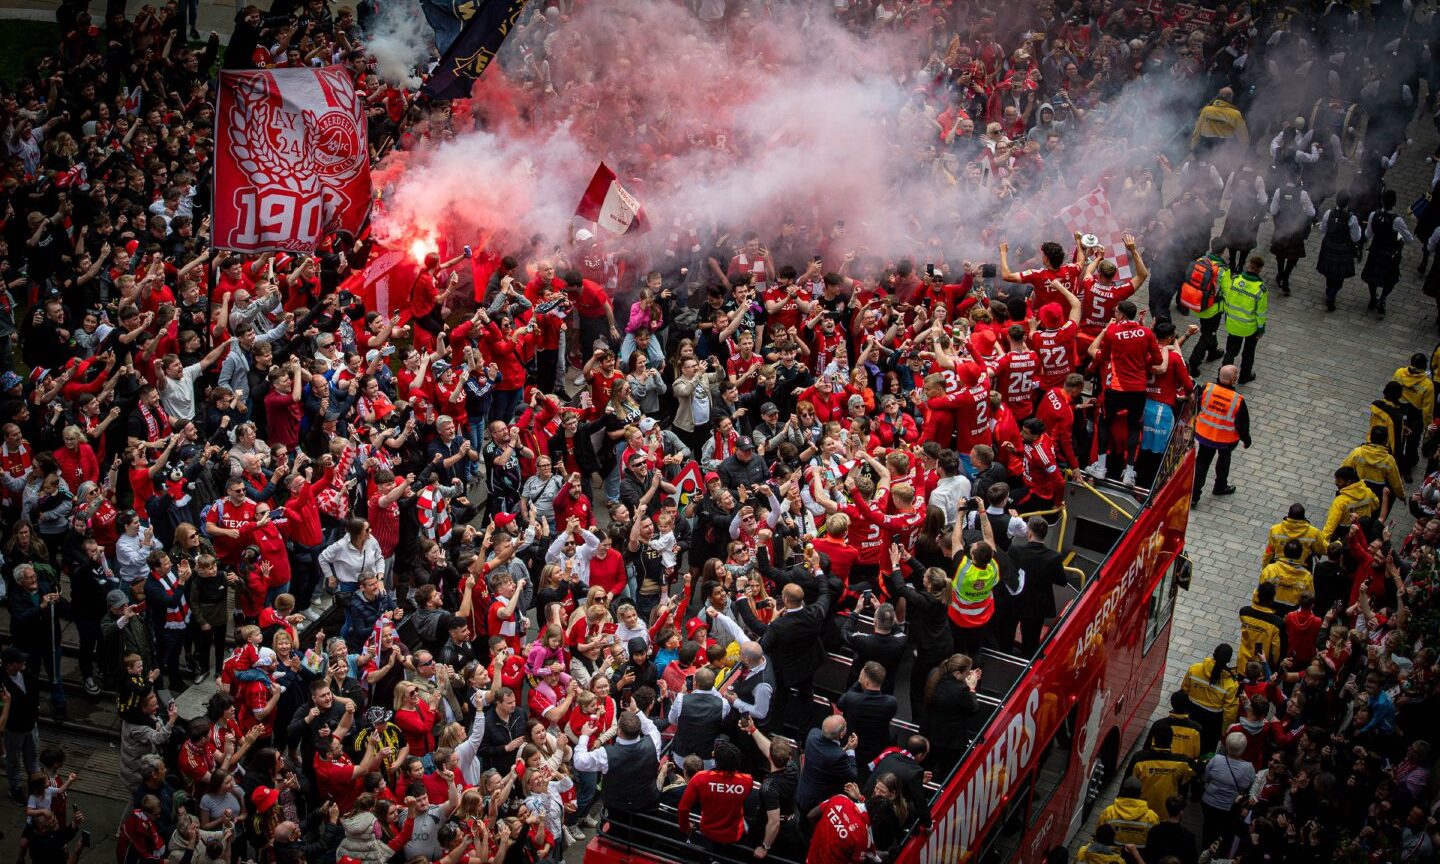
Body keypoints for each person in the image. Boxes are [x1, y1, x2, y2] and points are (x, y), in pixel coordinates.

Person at [1192, 365, 1251, 504]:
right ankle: (1219, 486)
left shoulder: (1207, 388)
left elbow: (1197, 404)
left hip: (1205, 434)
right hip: (1226, 439)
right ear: (1234, 379)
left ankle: (1194, 496)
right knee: (1224, 460)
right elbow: (1242, 424)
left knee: (1202, 463)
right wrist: (1246, 440)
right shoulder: (1238, 400)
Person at [678, 738, 752, 845]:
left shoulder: (700, 778)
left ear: (717, 761)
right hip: (733, 835)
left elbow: (683, 808)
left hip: (708, 832)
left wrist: (685, 827)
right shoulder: (747, 780)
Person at [794, 715, 858, 819]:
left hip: (801, 791)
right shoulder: (837, 757)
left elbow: (826, 754)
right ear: (841, 734)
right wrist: (851, 750)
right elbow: (853, 775)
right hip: (815, 802)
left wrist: (843, 749)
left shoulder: (813, 734)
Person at [1200, 732, 1256, 847]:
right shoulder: (1248, 768)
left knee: (1208, 827)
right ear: (1243, 748)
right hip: (1230, 808)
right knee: (1223, 832)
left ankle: (1204, 850)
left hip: (1208, 803)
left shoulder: (1216, 759)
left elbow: (1205, 778)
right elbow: (1249, 787)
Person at [1219, 255, 1267, 384]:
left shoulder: (1235, 280)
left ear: (1248, 265)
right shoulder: (1260, 289)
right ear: (1260, 269)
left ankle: (1223, 376)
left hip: (1233, 324)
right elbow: (1261, 313)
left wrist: (1228, 317)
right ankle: (1245, 376)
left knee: (1230, 352)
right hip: (1249, 328)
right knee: (1248, 352)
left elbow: (1227, 299)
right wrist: (1261, 329)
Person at [1097, 777, 1158, 846]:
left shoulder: (1109, 812)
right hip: (1138, 856)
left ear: (1122, 791)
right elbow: (1155, 840)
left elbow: (1099, 834)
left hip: (1113, 854)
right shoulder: (1151, 817)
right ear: (1140, 793)